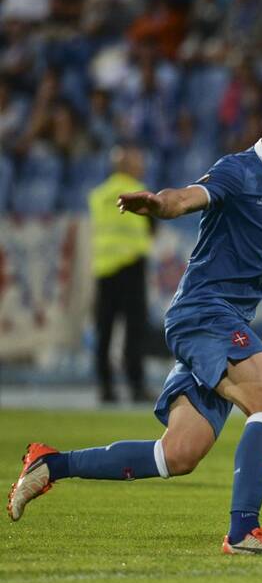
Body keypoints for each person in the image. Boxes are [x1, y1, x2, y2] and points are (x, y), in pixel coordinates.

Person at [8, 92, 262, 555]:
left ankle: (49, 465)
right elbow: (185, 198)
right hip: (203, 312)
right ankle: (244, 532)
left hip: (226, 320)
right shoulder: (240, 170)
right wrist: (158, 204)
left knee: (176, 455)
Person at [88, 144, 154, 403]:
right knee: (134, 329)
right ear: (127, 166)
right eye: (138, 161)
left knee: (104, 329)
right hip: (131, 265)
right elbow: (151, 225)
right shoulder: (139, 193)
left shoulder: (99, 194)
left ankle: (105, 388)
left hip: (104, 268)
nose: (142, 166)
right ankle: (136, 386)